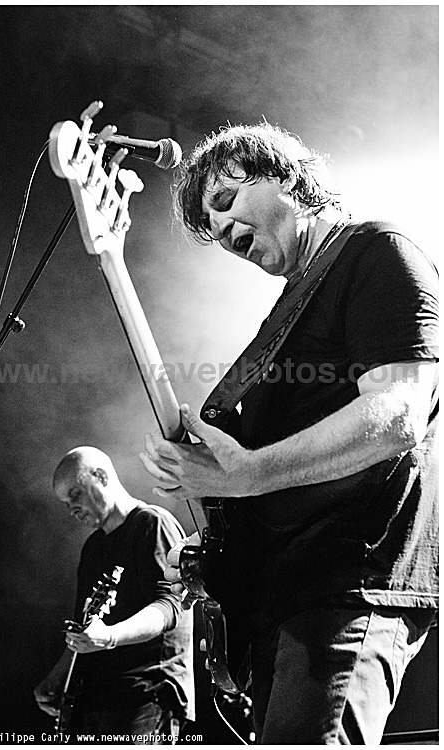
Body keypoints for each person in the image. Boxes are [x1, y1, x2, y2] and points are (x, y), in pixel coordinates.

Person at [139, 123, 438, 744]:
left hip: (350, 582)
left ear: (286, 175)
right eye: (214, 232)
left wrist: (249, 474)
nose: (226, 234)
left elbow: (400, 412)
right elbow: (278, 475)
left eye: (226, 202)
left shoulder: (378, 251)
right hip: (286, 594)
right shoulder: (287, 311)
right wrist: (213, 534)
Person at [34, 446, 195, 744]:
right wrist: (58, 676)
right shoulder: (92, 548)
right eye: (66, 503)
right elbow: (83, 627)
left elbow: (171, 606)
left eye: (75, 494)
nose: (72, 509)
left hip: (145, 692)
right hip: (96, 698)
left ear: (102, 476)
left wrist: (109, 636)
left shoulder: (152, 524)